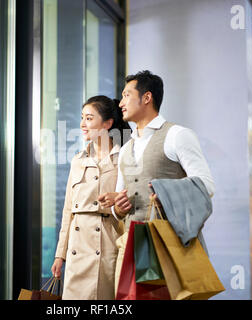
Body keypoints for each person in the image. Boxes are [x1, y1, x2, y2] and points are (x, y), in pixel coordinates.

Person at [98, 70, 215, 296]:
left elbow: (206, 186)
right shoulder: (125, 150)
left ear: (147, 97)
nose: (121, 103)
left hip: (170, 244)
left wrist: (165, 194)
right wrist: (117, 207)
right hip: (132, 246)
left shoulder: (177, 135)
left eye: (126, 95)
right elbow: (120, 205)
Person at [51, 95, 131, 300]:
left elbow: (133, 201)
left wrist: (115, 201)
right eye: (82, 118)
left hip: (107, 246)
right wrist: (60, 254)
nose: (82, 124)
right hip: (77, 250)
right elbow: (68, 210)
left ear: (107, 123)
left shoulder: (124, 158)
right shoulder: (77, 160)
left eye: (89, 118)